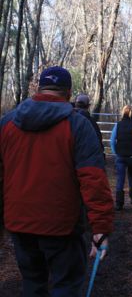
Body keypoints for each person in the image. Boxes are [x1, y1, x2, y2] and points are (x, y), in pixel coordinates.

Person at [0, 66, 114, 297]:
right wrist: (100, 228)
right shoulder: (78, 125)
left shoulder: (7, 123)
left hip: (19, 223)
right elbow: (93, 178)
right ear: (68, 93)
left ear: (39, 88)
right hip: (62, 226)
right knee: (66, 286)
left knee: (32, 284)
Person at [111, 105, 132, 211]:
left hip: (120, 155)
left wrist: (115, 152)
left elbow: (112, 140)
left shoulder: (118, 125)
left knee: (120, 179)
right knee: (131, 176)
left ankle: (119, 203)